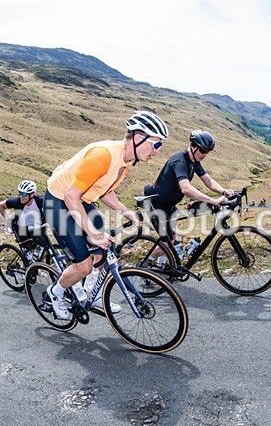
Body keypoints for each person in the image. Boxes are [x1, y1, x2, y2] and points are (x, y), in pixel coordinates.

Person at [43, 110, 166, 319]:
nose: (157, 151)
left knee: (104, 247)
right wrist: (92, 232)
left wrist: (125, 212)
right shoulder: (104, 156)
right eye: (156, 144)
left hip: (82, 200)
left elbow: (104, 189)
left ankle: (95, 293)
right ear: (138, 139)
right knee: (84, 265)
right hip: (59, 201)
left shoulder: (125, 160)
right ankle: (54, 293)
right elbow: (70, 197)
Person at [141, 130, 234, 264]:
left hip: (169, 205)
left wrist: (223, 191)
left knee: (172, 239)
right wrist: (212, 200)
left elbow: (208, 180)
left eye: (207, 152)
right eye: (203, 151)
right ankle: (145, 265)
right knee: (168, 242)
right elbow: (185, 188)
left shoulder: (194, 161)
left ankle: (163, 268)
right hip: (155, 204)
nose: (205, 155)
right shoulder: (180, 161)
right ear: (193, 146)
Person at [0, 180, 48, 258]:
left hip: (37, 227)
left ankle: (33, 265)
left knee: (39, 250)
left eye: (24, 194)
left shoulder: (39, 200)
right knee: (28, 254)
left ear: (32, 195)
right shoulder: (17, 201)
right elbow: (0, 205)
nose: (21, 196)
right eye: (20, 193)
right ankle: (27, 265)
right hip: (21, 228)